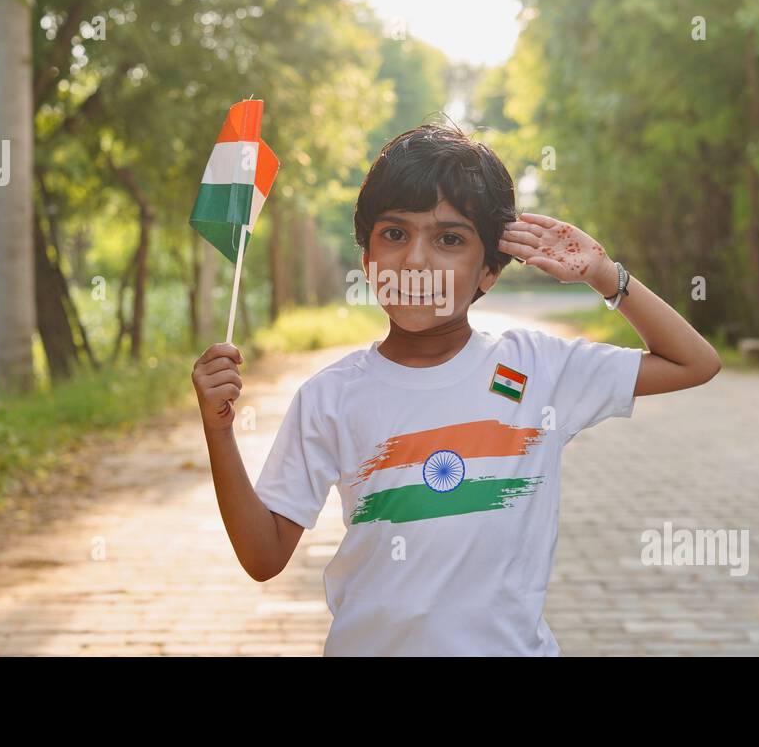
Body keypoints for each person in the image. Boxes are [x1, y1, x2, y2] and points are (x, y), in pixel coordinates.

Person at [191, 121, 721, 655]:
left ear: (489, 269)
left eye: (449, 239)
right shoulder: (330, 396)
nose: (417, 260)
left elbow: (694, 362)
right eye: (394, 234)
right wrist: (219, 432)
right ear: (368, 258)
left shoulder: (538, 369)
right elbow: (263, 558)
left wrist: (607, 277)